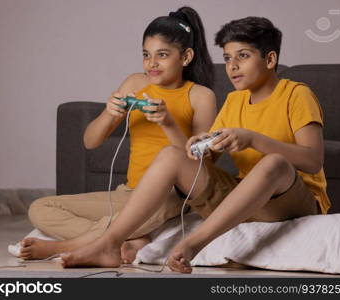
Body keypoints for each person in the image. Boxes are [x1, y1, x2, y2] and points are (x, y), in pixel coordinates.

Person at [59, 16, 331, 273]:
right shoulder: (235, 101)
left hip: (294, 199)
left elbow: (312, 160)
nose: (232, 66)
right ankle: (109, 243)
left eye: (243, 56)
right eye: (227, 58)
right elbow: (203, 163)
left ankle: (193, 244)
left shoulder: (296, 94)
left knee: (274, 162)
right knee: (171, 155)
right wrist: (201, 143)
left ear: (270, 59)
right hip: (245, 198)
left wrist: (253, 139)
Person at [19, 6, 217, 263]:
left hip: (171, 197)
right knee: (41, 208)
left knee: (128, 216)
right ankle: (133, 238)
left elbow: (202, 164)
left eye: (162, 55)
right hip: (129, 192)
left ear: (186, 56)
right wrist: (109, 115)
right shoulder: (135, 83)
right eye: (146, 54)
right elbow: (90, 142)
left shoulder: (201, 96)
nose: (152, 63)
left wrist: (168, 122)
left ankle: (67, 246)